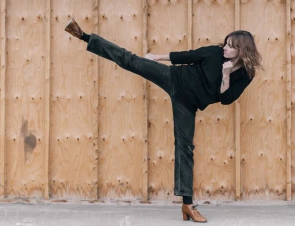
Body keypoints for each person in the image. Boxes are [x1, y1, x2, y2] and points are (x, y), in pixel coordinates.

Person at [64, 18, 262, 223]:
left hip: (187, 104)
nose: (225, 48)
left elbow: (226, 99)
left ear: (242, 50)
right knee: (131, 60)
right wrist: (156, 57)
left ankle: (187, 205)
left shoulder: (246, 74)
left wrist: (226, 74)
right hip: (173, 77)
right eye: (226, 43)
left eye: (230, 46)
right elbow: (187, 55)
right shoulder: (214, 52)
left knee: (185, 149)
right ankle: (84, 36)